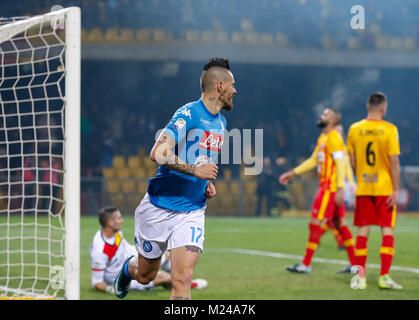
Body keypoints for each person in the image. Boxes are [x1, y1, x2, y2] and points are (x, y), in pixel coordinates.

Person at [114, 57, 236, 300]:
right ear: (220, 86)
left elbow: (201, 160)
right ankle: (129, 269)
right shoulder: (188, 113)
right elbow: (157, 153)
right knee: (146, 276)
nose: (235, 90)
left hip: (192, 211)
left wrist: (205, 182)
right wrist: (195, 172)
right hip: (159, 207)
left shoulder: (221, 123)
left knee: (183, 280)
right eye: (233, 85)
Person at [279, 108, 357, 274]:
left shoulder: (334, 138)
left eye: (325, 115)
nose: (321, 116)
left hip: (329, 189)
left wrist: (341, 189)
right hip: (329, 189)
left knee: (314, 224)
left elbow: (340, 163)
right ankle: (355, 265)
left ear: (333, 121)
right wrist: (293, 173)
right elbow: (313, 160)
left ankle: (306, 264)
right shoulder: (323, 138)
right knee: (340, 225)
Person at [346, 92, 402, 290]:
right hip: (384, 188)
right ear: (383, 108)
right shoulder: (389, 129)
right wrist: (396, 189)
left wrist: (360, 176)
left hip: (364, 187)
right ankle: (384, 277)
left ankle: (360, 278)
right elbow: (394, 161)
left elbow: (352, 160)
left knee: (363, 230)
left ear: (367, 106)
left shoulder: (354, 129)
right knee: (387, 229)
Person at [90, 206, 207, 294]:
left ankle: (180, 279)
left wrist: (141, 251)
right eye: (119, 218)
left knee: (165, 256)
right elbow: (96, 282)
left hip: (132, 259)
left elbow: (125, 247)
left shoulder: (116, 233)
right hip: (117, 275)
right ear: (110, 223)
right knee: (162, 277)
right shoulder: (100, 250)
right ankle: (191, 284)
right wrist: (111, 289)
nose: (122, 220)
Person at [320, 124, 356, 253]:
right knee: (334, 218)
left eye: (341, 131)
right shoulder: (326, 144)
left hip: (339, 187)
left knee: (336, 218)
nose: (339, 134)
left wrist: (351, 184)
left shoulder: (343, 149)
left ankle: (319, 237)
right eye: (337, 131)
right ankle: (341, 243)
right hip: (329, 187)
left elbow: (346, 168)